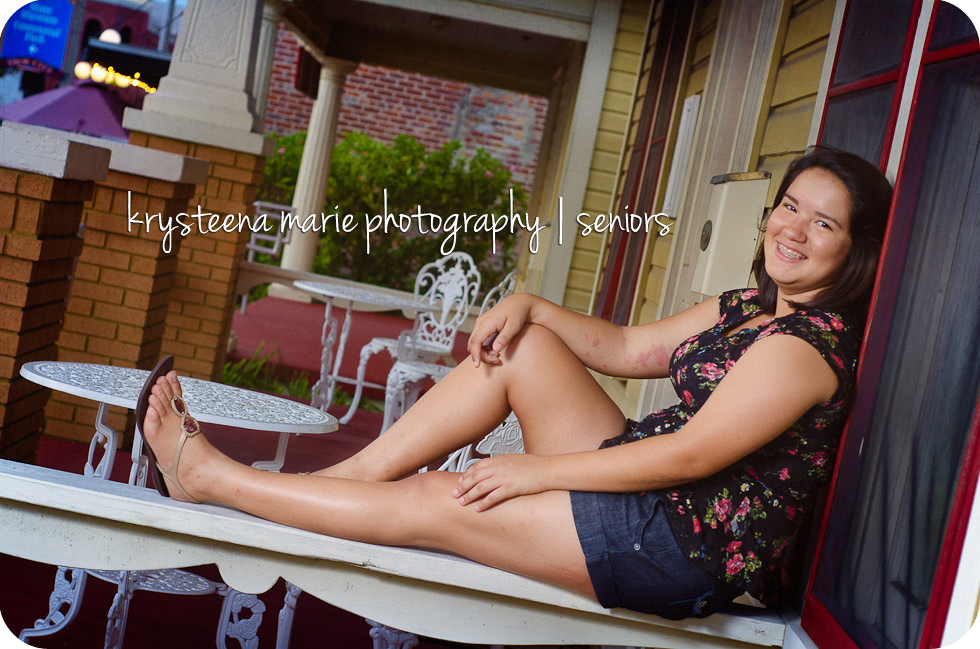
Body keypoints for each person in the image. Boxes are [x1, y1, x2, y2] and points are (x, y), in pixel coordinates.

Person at [140, 146, 892, 619]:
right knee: (523, 346)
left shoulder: (803, 348)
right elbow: (629, 347)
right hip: (646, 492)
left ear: (854, 251)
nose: (793, 229)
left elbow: (691, 456)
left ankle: (210, 477)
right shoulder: (750, 309)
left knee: (442, 499)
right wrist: (529, 304)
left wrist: (536, 472)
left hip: (677, 543)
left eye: (824, 223)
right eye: (790, 206)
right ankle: (354, 475)